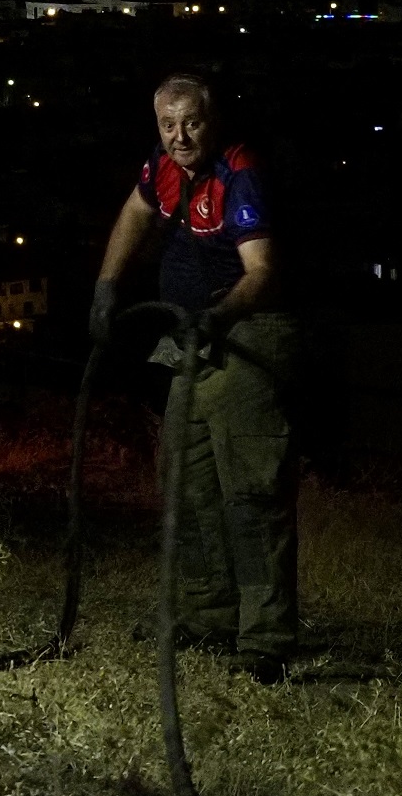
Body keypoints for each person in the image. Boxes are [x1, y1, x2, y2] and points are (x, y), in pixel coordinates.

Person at [91, 73, 298, 679]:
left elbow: (261, 271)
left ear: (214, 119)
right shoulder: (164, 164)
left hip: (247, 333)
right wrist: (107, 287)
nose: (180, 136)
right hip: (192, 335)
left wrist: (216, 318)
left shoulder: (240, 172)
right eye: (167, 124)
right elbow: (135, 211)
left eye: (192, 123)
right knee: (187, 476)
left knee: (250, 489)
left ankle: (265, 639)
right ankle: (208, 615)